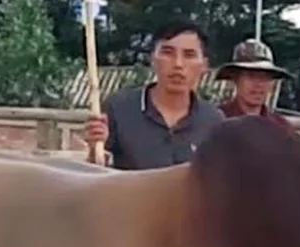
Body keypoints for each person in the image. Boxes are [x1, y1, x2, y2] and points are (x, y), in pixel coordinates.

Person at [82, 21, 223, 170]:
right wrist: (94, 149)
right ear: (152, 59)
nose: (178, 64)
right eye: (168, 53)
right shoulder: (119, 109)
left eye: (189, 55)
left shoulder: (214, 121)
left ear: (204, 65)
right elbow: (97, 172)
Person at [216, 39, 293, 129]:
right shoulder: (216, 120)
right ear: (236, 78)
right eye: (251, 76)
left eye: (265, 77)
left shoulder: (280, 127)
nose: (259, 84)